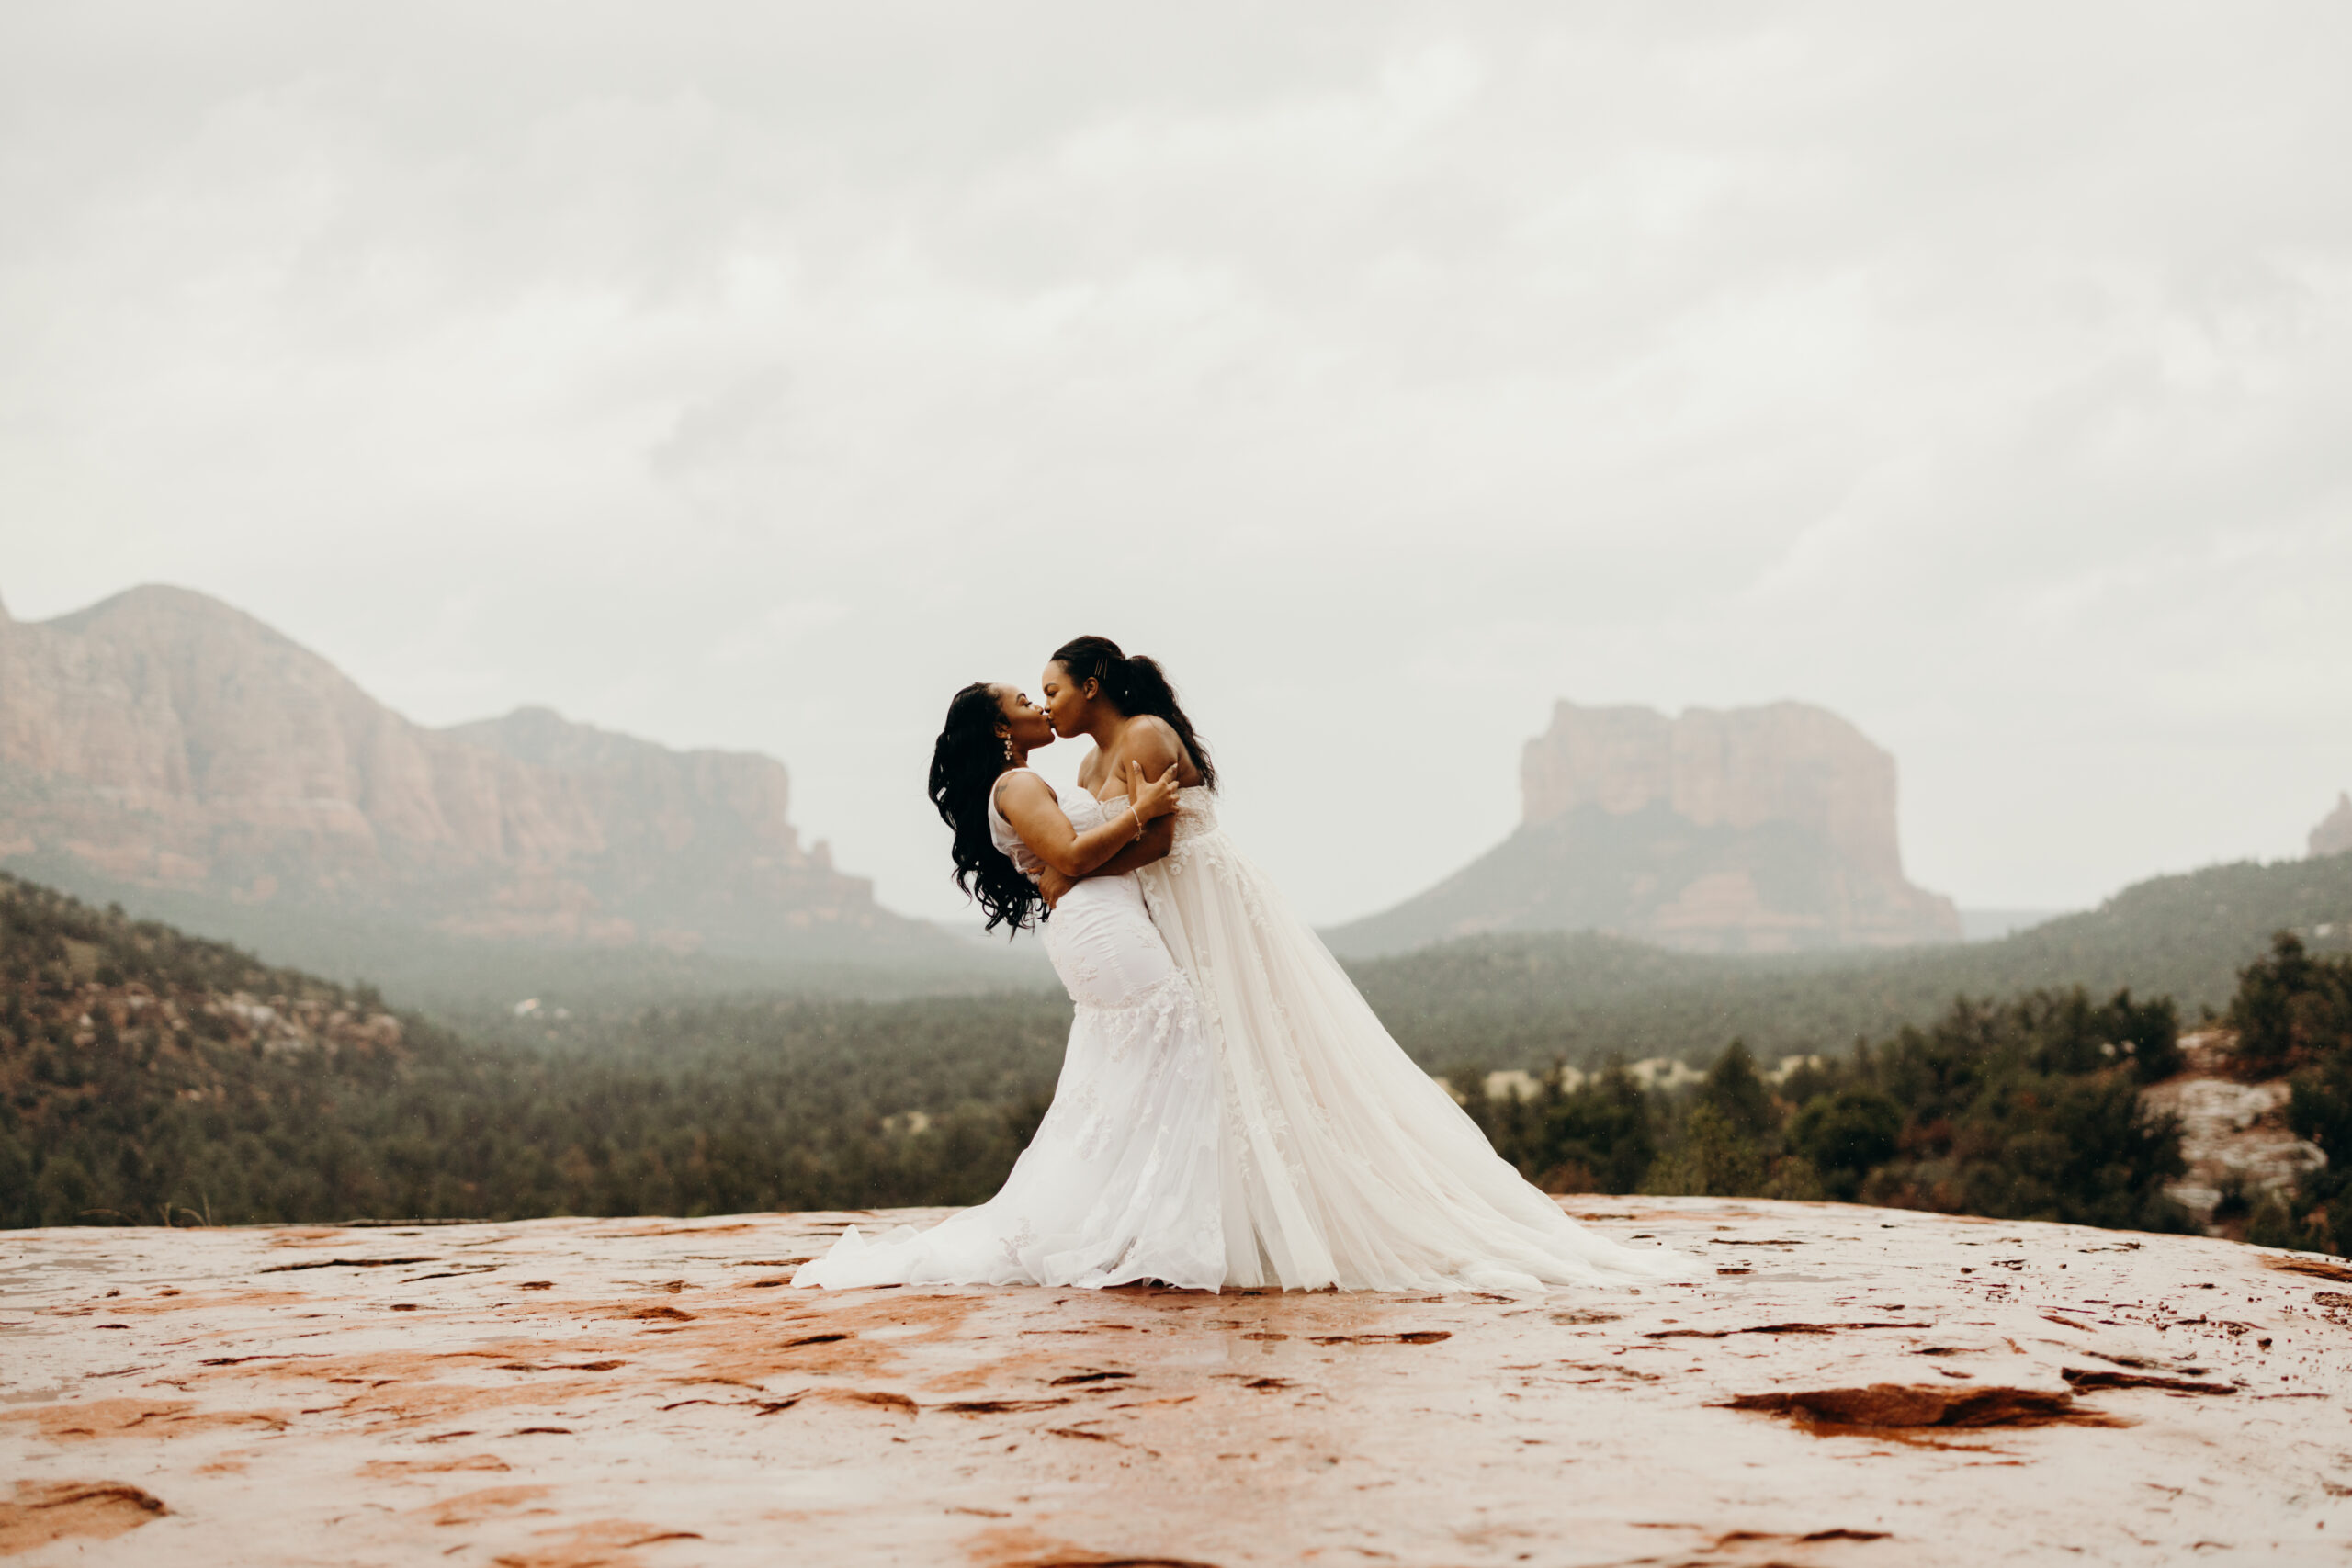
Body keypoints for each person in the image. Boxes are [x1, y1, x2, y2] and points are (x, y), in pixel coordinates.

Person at [1036, 635, 1687, 1292]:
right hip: (1160, 910)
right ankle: (1214, 1214)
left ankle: (1290, 1218)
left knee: (1253, 1043)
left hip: (1204, 901)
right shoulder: (1090, 766)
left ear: (1092, 685)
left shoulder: (1146, 734)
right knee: (1202, 1056)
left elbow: (1162, 838)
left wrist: (1074, 869)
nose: (1047, 705)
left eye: (1054, 690)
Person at [793, 681, 1227, 1290]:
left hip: (1101, 923)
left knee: (1134, 1070)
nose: (1040, 706)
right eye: (1025, 702)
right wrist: (1142, 811)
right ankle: (1143, 1226)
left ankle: (1130, 1221)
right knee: (1178, 1041)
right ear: (1001, 729)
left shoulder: (1023, 782)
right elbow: (1071, 857)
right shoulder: (1017, 784)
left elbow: (1064, 864)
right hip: (1102, 929)